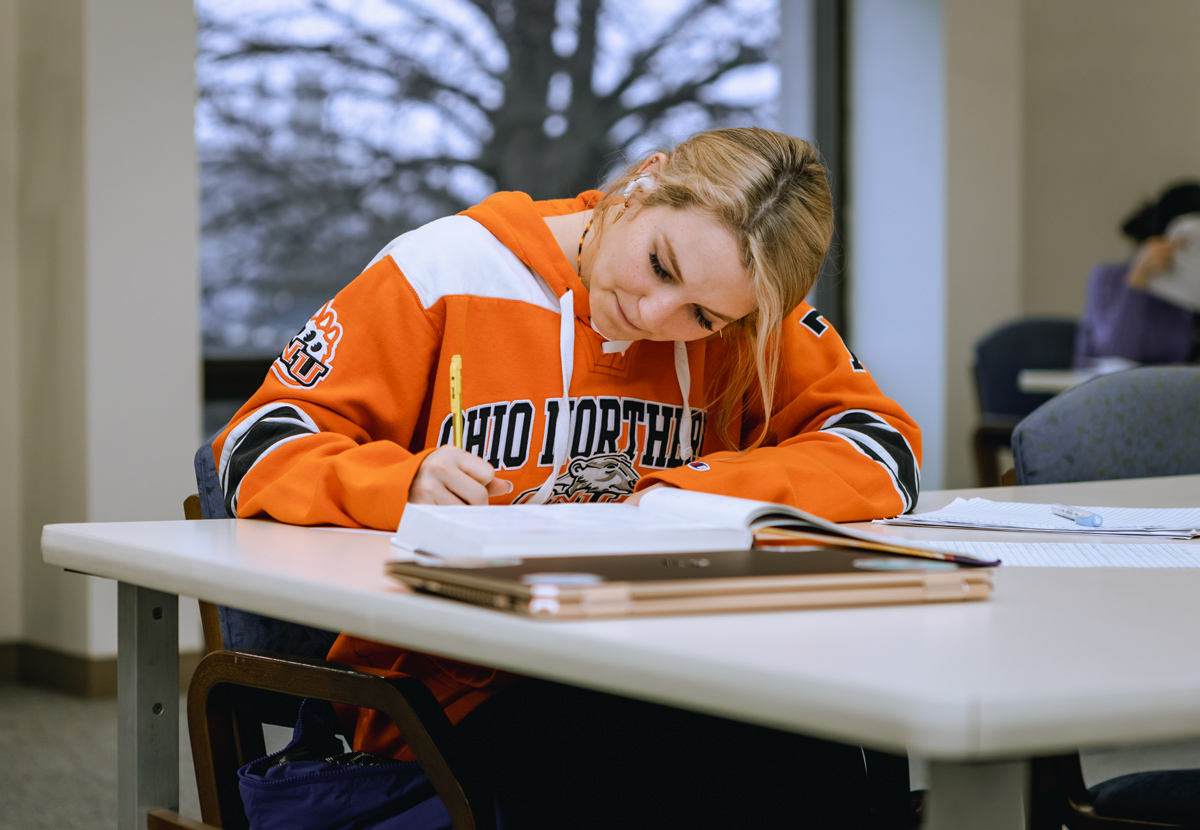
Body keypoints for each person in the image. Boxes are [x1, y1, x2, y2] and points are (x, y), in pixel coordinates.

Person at [213, 127, 922, 828]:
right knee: (733, 765)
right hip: (460, 692)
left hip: (674, 661)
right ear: (643, 182)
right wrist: (403, 483)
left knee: (816, 743)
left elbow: (881, 447)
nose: (653, 315)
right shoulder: (445, 269)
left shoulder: (744, 305)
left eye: (699, 316)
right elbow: (255, 444)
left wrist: (693, 493)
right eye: (660, 265)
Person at [1074, 181, 1200, 367]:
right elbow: (1115, 356)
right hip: (1105, 393)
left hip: (1168, 394)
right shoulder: (1108, 278)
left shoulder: (1189, 304)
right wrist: (1137, 281)